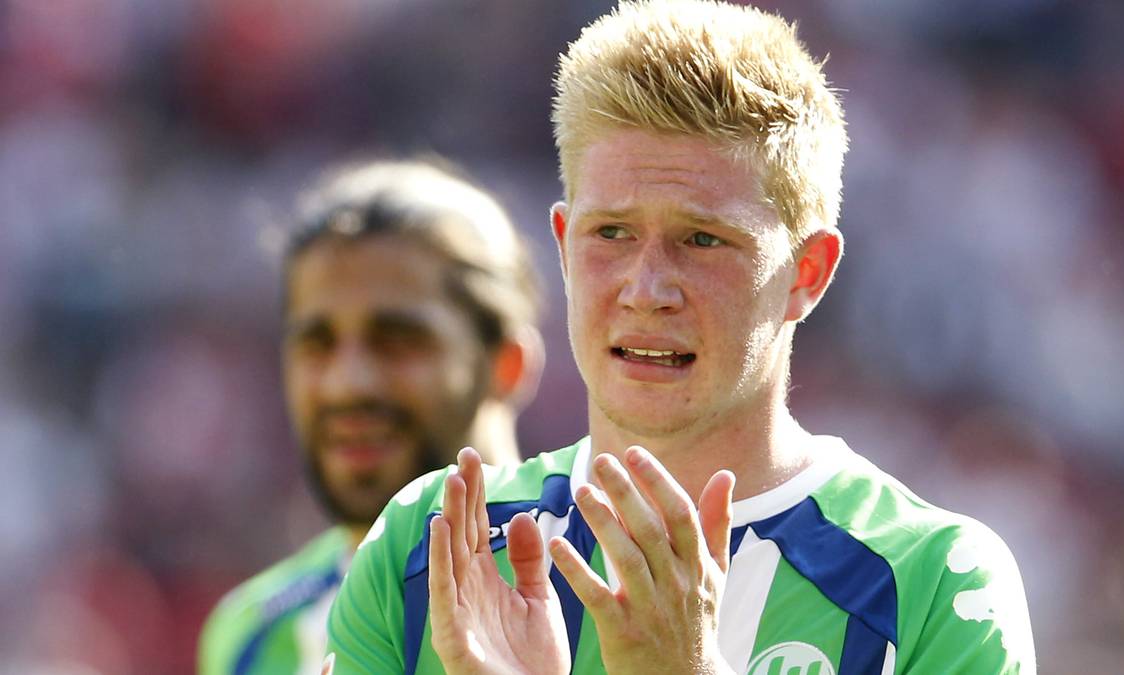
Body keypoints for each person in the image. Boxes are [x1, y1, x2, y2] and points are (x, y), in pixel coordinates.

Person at [324, 1, 1037, 673]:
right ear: (564, 246)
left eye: (702, 239)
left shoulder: (935, 582)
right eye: (612, 233)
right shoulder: (427, 546)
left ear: (807, 273)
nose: (646, 289)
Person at [197, 160, 544, 675]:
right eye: (317, 343)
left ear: (507, 365)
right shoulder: (252, 635)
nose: (348, 384)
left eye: (397, 340)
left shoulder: (607, 587)